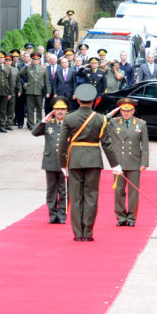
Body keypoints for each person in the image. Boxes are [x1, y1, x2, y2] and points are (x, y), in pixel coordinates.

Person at [58, 84, 120, 242]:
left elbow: (62, 144)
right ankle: (88, 233)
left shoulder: (69, 118)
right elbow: (107, 144)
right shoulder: (100, 119)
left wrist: (63, 164)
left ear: (77, 100)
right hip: (94, 160)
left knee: (77, 197)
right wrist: (115, 165)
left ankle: (78, 234)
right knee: (91, 197)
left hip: (74, 160)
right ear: (94, 101)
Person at [106, 98, 149, 227]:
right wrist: (110, 114)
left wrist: (144, 162)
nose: (126, 113)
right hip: (118, 162)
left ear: (133, 110)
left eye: (128, 111)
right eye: (123, 111)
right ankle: (120, 217)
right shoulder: (113, 122)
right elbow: (101, 122)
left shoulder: (141, 124)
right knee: (118, 191)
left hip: (134, 161)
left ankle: (131, 218)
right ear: (120, 111)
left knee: (133, 192)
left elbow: (145, 145)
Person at [32, 96, 69, 224]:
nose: (60, 111)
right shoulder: (48, 124)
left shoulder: (70, 124)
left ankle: (62, 215)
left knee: (64, 190)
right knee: (51, 190)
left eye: (62, 109)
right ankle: (52, 215)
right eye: (57, 109)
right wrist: (43, 121)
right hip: (50, 161)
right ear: (53, 111)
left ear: (66, 111)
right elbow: (34, 133)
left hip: (65, 162)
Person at [19, 52, 50, 130]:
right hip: (30, 91)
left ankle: (39, 123)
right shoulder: (29, 68)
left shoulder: (43, 68)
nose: (35, 61)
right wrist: (27, 64)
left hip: (39, 91)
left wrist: (48, 92)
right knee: (30, 109)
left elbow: (47, 81)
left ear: (39, 60)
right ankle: (31, 124)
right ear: (32, 60)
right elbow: (21, 73)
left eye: (37, 59)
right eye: (34, 59)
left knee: (39, 108)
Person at [4, 52, 19, 130]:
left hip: (12, 92)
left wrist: (19, 90)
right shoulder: (1, 68)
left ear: (12, 61)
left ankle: (9, 123)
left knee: (11, 109)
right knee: (3, 109)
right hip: (3, 92)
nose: (8, 62)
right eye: (6, 60)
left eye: (9, 60)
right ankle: (2, 123)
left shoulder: (15, 70)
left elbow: (18, 81)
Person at [15, 51, 30, 129]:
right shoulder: (19, 66)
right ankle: (20, 123)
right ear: (22, 58)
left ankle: (29, 124)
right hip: (21, 88)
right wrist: (23, 83)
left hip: (30, 88)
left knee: (29, 107)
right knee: (20, 107)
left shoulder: (33, 66)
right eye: (25, 56)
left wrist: (28, 83)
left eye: (28, 56)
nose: (26, 58)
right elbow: (18, 76)